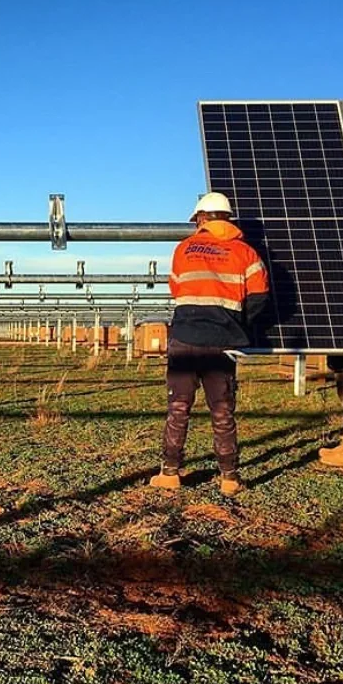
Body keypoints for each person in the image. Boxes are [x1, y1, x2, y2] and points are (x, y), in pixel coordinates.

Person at [151, 192, 270, 497]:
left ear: (202, 219)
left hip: (185, 337)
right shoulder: (246, 252)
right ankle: (229, 478)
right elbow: (259, 297)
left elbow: (176, 289)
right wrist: (236, 324)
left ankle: (170, 473)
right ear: (227, 219)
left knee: (178, 407)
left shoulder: (184, 249)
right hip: (223, 342)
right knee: (222, 411)